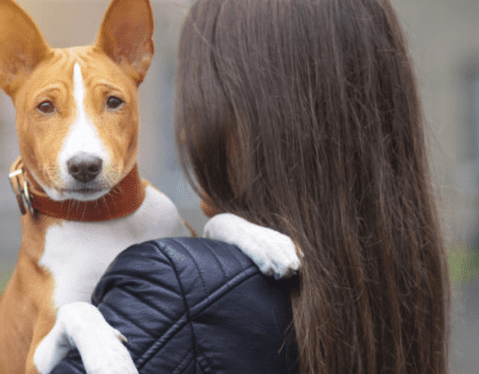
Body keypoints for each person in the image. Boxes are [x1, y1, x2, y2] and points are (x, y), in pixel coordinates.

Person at [52, 0, 450, 373]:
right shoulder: (403, 287)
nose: (187, 131)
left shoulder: (177, 287)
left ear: (248, 117)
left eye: (196, 95)